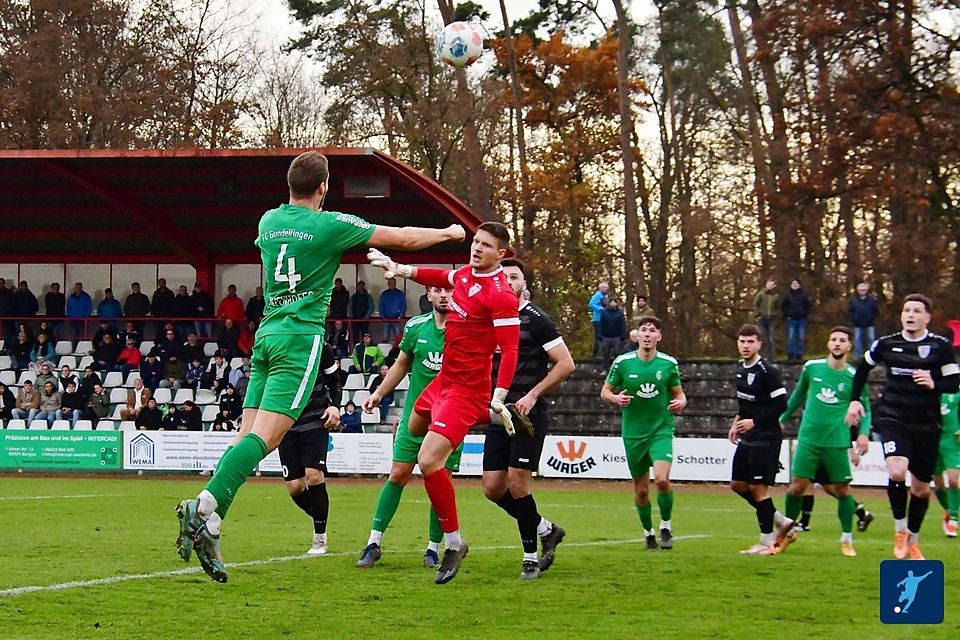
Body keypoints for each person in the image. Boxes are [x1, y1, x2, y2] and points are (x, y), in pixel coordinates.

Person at [174, 149, 463, 583]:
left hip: (266, 336)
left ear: (288, 186)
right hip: (299, 340)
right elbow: (401, 238)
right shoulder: (330, 225)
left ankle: (212, 524)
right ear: (324, 187)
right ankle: (203, 505)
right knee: (266, 439)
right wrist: (448, 233)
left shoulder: (268, 221)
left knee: (244, 437)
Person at [365, 220, 521, 584]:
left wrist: (499, 395)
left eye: (486, 245)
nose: (477, 248)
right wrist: (399, 268)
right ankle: (484, 417)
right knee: (414, 426)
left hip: (467, 391)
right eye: (476, 241)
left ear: (501, 254)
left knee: (428, 461)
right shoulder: (464, 275)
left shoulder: (501, 295)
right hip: (442, 384)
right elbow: (437, 276)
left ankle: (453, 543)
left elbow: (511, 349)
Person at [845, 294, 959, 560]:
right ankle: (899, 529)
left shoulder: (940, 346)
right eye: (906, 310)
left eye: (916, 311)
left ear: (927, 317)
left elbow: (954, 383)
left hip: (927, 424)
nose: (910, 315)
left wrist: (934, 383)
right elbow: (862, 369)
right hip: (894, 418)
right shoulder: (887, 343)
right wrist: (854, 400)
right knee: (897, 471)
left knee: (921, 489)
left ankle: (913, 540)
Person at [482, 259, 576, 579]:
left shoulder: (537, 320)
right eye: (503, 277)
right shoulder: (491, 319)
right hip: (499, 413)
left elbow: (566, 363)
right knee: (492, 489)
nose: (508, 281)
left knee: (517, 482)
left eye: (514, 277)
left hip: (527, 415)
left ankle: (530, 557)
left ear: (524, 285)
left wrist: (533, 394)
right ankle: (547, 529)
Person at [357, 286, 460, 569]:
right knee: (397, 475)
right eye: (438, 290)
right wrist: (378, 394)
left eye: (449, 290)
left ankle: (433, 549)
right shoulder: (415, 327)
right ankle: (373, 543)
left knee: (439, 482)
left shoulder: (465, 329)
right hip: (415, 417)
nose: (444, 295)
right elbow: (401, 365)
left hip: (448, 419)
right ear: (428, 295)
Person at [776, 327, 874, 556]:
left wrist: (863, 433)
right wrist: (782, 418)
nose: (837, 343)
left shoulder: (854, 377)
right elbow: (798, 395)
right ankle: (786, 533)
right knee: (797, 487)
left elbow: (866, 409)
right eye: (833, 339)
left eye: (842, 340)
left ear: (849, 346)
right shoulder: (812, 368)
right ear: (829, 344)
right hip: (809, 438)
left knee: (842, 490)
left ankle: (846, 538)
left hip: (836, 441)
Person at [602, 316, 686, 552]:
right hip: (633, 433)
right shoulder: (623, 362)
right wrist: (615, 398)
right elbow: (605, 391)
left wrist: (681, 402)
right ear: (637, 335)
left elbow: (679, 394)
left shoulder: (668, 364)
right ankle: (648, 533)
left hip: (660, 430)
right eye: (644, 330)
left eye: (652, 330)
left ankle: (666, 527)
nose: (647, 334)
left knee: (661, 479)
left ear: (659, 336)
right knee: (641, 490)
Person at [728, 324, 789, 555]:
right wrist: (736, 423)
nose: (746, 346)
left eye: (750, 342)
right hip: (749, 435)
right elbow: (745, 404)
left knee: (758, 488)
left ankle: (766, 542)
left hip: (766, 436)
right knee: (738, 485)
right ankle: (781, 522)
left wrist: (754, 422)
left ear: (759, 344)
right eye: (742, 341)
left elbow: (781, 404)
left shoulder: (767, 371)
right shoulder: (740, 369)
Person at [278, 343, 342, 554]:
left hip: (316, 419)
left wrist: (335, 406)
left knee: (314, 475)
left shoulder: (322, 347)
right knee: (294, 487)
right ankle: (320, 515)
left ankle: (319, 539)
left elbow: (334, 381)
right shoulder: (280, 346)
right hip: (286, 422)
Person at [934, 390, 960, 537]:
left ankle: (953, 519)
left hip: (952, 441)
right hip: (932, 441)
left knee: (953, 480)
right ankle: (949, 511)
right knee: (938, 485)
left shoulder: (956, 390)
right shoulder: (928, 391)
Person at [848, 282, 880, 359]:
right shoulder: (853, 300)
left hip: (869, 324)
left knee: (871, 340)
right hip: (857, 324)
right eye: (860, 290)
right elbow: (850, 311)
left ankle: (872, 356)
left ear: (866, 290)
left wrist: (872, 318)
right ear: (857, 290)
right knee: (857, 340)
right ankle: (858, 356)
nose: (862, 291)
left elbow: (876, 311)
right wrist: (854, 319)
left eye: (863, 290)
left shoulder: (872, 300)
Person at [782, 279, 811, 361]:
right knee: (791, 337)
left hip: (801, 319)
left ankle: (799, 354)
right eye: (793, 283)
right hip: (791, 319)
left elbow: (808, 306)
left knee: (800, 338)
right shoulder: (788, 295)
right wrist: (787, 315)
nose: (794, 285)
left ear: (799, 285)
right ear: (791, 285)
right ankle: (790, 354)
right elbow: (784, 307)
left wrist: (805, 315)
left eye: (796, 283)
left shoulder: (803, 295)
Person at [753, 278, 781, 360]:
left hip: (771, 319)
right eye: (768, 284)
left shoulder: (776, 296)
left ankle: (771, 356)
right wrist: (757, 315)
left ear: (774, 286)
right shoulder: (761, 294)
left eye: (772, 285)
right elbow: (755, 305)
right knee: (761, 336)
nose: (770, 286)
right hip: (762, 318)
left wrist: (775, 315)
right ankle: (759, 355)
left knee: (771, 337)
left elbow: (778, 307)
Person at [598, 298, 627, 373]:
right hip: (606, 336)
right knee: (606, 353)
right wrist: (600, 335)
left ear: (617, 304)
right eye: (611, 302)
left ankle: (619, 369)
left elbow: (623, 324)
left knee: (617, 353)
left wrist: (623, 335)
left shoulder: (620, 312)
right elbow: (601, 324)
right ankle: (605, 369)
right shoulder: (604, 312)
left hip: (617, 336)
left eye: (614, 302)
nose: (613, 304)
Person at [378, 277, 406, 342]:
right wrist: (382, 317)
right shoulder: (384, 294)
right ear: (388, 284)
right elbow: (380, 306)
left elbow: (403, 305)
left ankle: (398, 348)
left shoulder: (400, 294)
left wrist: (400, 316)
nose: (391, 284)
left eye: (393, 283)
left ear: (395, 284)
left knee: (398, 338)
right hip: (386, 319)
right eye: (390, 283)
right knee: (385, 338)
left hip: (396, 319)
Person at [588, 282, 609, 357]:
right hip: (598, 319)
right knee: (598, 337)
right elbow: (591, 304)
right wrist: (601, 309)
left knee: (603, 336)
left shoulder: (604, 296)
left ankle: (604, 353)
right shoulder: (598, 295)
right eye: (604, 287)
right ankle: (597, 354)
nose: (605, 289)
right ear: (600, 288)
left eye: (606, 288)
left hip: (604, 319)